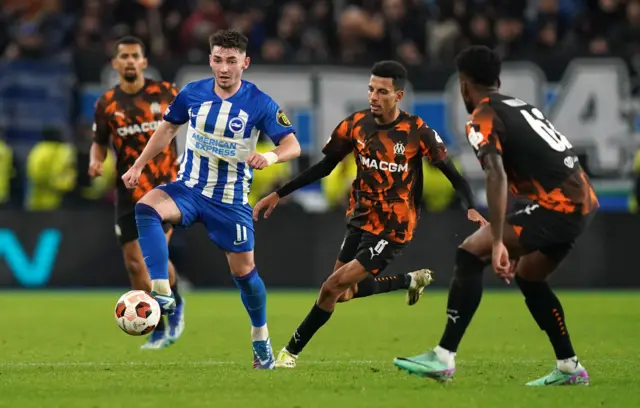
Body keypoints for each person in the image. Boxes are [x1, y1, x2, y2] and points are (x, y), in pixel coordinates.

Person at [253, 60, 484, 368]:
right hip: (360, 219)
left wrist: (471, 205)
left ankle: (288, 354)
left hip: (394, 227)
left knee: (329, 288)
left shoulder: (417, 132)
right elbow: (325, 167)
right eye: (371, 89)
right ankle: (409, 280)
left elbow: (453, 173)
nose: (374, 96)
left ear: (398, 96)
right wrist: (279, 193)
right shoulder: (356, 124)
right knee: (343, 293)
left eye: (382, 91)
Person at [394, 45, 598, 386]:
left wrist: (500, 240)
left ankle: (443, 357)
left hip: (559, 205)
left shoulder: (482, 117)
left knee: (471, 252)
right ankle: (569, 367)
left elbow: (496, 175)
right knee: (530, 277)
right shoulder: (521, 107)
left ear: (463, 86)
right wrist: (509, 233)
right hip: (581, 202)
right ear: (498, 80)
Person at [121, 29, 301, 369]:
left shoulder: (259, 103)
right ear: (210, 60)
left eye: (231, 61)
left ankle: (260, 338)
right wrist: (139, 164)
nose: (224, 67)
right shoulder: (192, 94)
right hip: (188, 188)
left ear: (244, 63)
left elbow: (293, 145)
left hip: (229, 201)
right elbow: (166, 130)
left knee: (245, 273)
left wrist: (271, 157)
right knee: (146, 207)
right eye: (218, 60)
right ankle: (162, 292)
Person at [90, 36, 185, 350]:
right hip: (127, 191)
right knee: (134, 264)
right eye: (124, 56)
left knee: (148, 260)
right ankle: (161, 316)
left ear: (144, 62)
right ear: (115, 64)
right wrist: (95, 161)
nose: (130, 61)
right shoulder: (106, 103)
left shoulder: (167, 93)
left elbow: (195, 124)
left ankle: (165, 317)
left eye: (135, 56)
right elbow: (100, 140)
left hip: (163, 191)